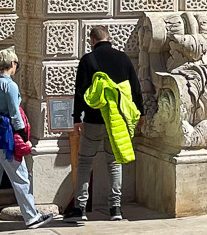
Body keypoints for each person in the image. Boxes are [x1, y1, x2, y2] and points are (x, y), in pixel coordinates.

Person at [62, 25, 145, 224]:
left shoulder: (88, 60)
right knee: (114, 162)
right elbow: (135, 88)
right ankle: (115, 208)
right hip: (117, 121)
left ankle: (80, 208)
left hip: (93, 120)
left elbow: (80, 91)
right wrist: (141, 112)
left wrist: (76, 118)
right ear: (109, 39)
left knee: (84, 162)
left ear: (92, 41)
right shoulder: (123, 59)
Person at [0, 49, 55, 233]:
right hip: (5, 140)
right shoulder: (10, 86)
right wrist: (24, 137)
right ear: (12, 65)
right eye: (16, 64)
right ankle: (31, 217)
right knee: (20, 178)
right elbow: (15, 113)